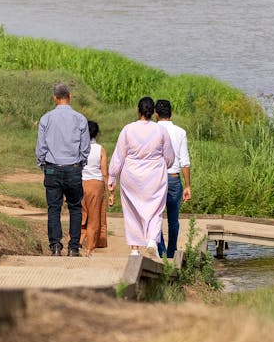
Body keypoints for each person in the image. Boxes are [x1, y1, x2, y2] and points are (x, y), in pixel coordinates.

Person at [108, 96, 174, 259]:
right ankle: (152, 241)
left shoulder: (128, 129)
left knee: (132, 211)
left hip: (131, 176)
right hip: (154, 177)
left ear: (138, 111)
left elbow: (119, 157)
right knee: (156, 209)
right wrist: (161, 164)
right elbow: (170, 157)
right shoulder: (161, 131)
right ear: (153, 113)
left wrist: (112, 178)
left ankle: (135, 249)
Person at [36, 83, 90, 256]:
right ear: (70, 96)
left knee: (54, 208)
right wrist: (81, 163)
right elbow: (85, 148)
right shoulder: (80, 119)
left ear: (55, 98)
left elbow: (41, 147)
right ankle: (74, 247)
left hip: (52, 168)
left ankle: (55, 246)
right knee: (75, 208)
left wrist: (42, 164)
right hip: (73, 168)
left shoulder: (46, 118)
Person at [155, 99, 191, 259]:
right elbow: (185, 161)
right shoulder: (180, 132)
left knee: (155, 216)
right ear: (171, 113)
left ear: (156, 114)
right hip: (174, 178)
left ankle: (161, 250)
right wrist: (188, 185)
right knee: (173, 219)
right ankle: (172, 252)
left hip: (156, 178)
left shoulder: (152, 130)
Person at [79, 121, 111, 257]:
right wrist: (110, 191)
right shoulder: (100, 149)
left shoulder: (78, 147)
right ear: (97, 134)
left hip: (80, 183)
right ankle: (89, 248)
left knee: (80, 215)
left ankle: (77, 243)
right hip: (96, 185)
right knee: (94, 218)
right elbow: (104, 172)